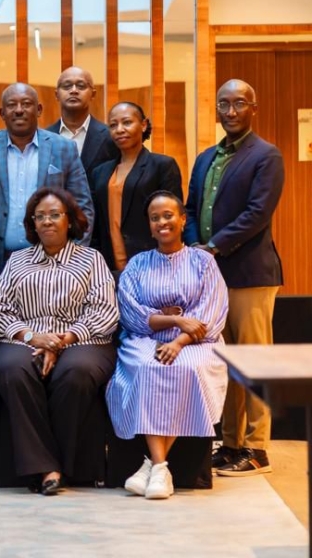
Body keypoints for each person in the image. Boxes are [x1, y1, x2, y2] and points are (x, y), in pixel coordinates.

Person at [0, 187, 118, 495]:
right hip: (26, 338)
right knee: (11, 369)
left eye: (55, 215)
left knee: (77, 372)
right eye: (40, 216)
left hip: (83, 338)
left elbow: (105, 310)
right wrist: (34, 337)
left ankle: (49, 465)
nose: (47, 222)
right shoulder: (17, 261)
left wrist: (63, 340)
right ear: (32, 224)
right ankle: (49, 468)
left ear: (70, 220)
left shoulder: (91, 259)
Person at [185, 79, 284, 477]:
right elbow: (190, 208)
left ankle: (258, 447)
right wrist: (195, 246)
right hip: (213, 276)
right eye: (223, 104)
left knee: (254, 359)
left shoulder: (266, 155)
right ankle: (230, 443)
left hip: (250, 273)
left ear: (253, 107)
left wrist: (215, 246)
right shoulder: (207, 157)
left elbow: (258, 212)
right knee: (223, 359)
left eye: (239, 103)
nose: (230, 111)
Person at [106, 191, 229, 500]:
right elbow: (131, 313)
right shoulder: (137, 265)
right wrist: (175, 321)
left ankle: (152, 467)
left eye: (168, 215)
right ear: (149, 226)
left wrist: (181, 339)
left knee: (187, 368)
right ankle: (161, 466)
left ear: (182, 219)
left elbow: (210, 314)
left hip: (197, 341)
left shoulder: (203, 262)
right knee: (148, 367)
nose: (162, 222)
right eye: (155, 217)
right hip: (145, 338)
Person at [0, 83, 93, 271]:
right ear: (2, 113)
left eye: (26, 104)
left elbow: (83, 207)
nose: (19, 110)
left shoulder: (64, 148)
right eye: (12, 105)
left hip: (52, 262)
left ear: (38, 110)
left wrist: (73, 257)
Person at [90, 102, 182, 272]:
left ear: (143, 124)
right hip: (109, 266)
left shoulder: (162, 165)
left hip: (154, 263)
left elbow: (172, 219)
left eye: (127, 122)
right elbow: (97, 223)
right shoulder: (100, 173)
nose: (119, 129)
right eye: (113, 125)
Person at [46, 66, 119, 178]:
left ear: (93, 94)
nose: (74, 91)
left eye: (81, 86)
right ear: (57, 95)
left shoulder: (110, 137)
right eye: (67, 86)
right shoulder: (44, 138)